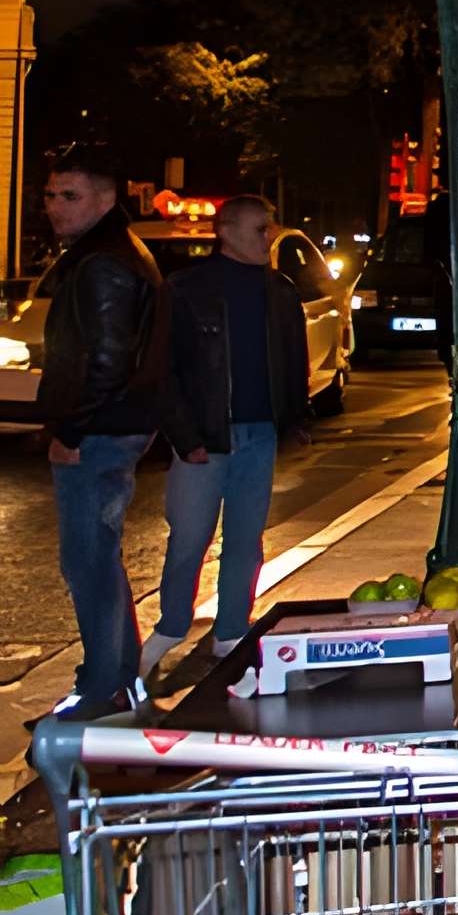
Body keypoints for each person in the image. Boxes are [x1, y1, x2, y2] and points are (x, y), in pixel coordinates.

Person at [27, 147, 172, 715]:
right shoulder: (107, 253)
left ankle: (102, 688)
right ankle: (114, 678)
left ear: (106, 199)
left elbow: (107, 361)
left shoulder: (103, 262)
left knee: (87, 558)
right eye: (51, 195)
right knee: (97, 555)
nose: (56, 207)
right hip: (115, 425)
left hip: (101, 429)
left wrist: (72, 428)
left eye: (71, 196)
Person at [149, 194, 311, 678]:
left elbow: (292, 359)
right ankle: (172, 625)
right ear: (226, 230)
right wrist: (184, 434)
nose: (269, 237)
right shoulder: (186, 289)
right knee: (190, 535)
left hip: (258, 432)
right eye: (260, 229)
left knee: (246, 537)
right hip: (206, 436)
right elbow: (163, 369)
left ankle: (231, 630)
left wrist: (294, 416)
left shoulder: (279, 291)